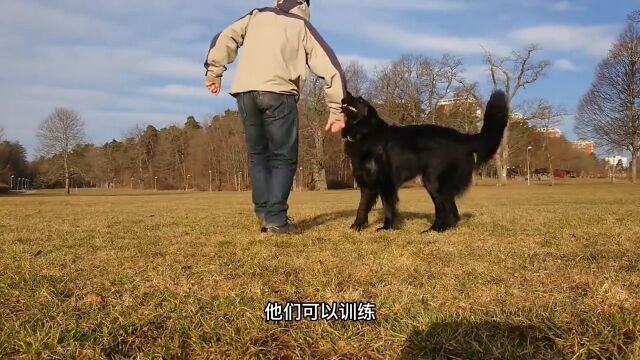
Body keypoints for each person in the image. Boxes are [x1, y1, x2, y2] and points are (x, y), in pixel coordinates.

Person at [204, 0, 346, 234]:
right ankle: (276, 219)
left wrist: (214, 71)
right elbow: (331, 68)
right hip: (278, 93)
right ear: (304, 5)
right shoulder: (301, 25)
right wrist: (337, 109)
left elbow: (224, 37)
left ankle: (263, 212)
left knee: (258, 156)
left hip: (245, 93)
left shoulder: (256, 15)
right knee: (283, 157)